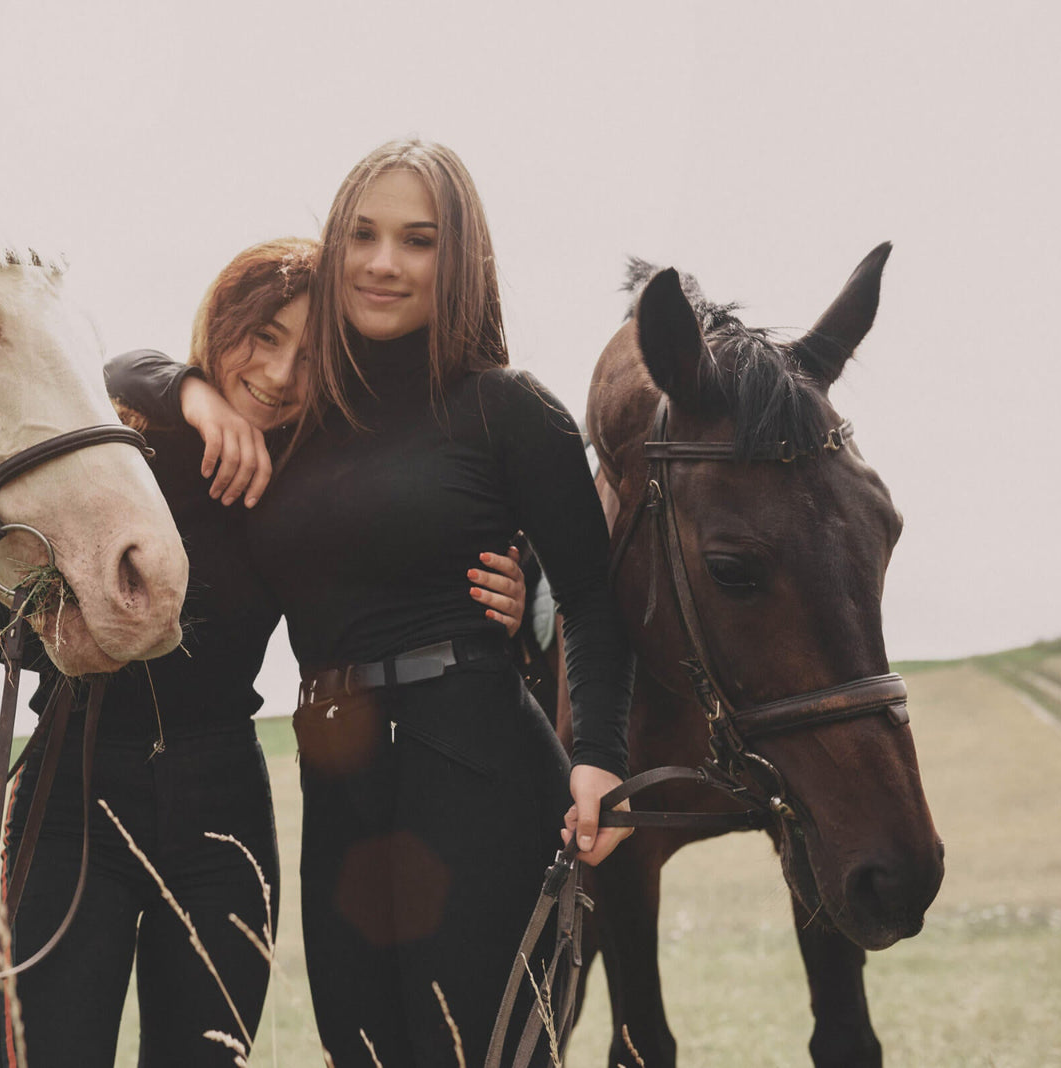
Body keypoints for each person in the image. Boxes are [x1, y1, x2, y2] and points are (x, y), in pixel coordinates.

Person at [0, 236, 529, 1067]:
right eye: (265, 337)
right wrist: (190, 396)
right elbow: (115, 372)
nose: (282, 374)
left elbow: (420, 545)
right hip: (71, 799)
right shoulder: (117, 444)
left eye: (311, 354)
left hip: (222, 810)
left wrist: (516, 587)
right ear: (222, 324)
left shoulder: (318, 478)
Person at [112, 141, 633, 1067]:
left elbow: (590, 598)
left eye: (419, 240)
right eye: (364, 234)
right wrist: (195, 394)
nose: (384, 262)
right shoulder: (299, 419)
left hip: (480, 766)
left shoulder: (505, 408)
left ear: (459, 258)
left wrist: (597, 759)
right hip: (339, 775)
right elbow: (123, 370)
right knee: (359, 1049)